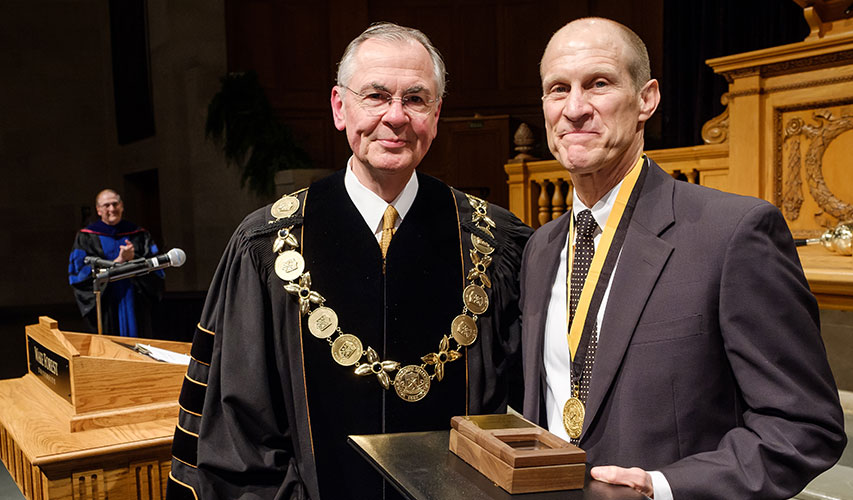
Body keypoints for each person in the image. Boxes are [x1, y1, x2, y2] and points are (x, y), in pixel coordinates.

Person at [167, 23, 531, 500]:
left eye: (416, 99)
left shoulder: (495, 244)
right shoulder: (267, 247)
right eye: (376, 96)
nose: (395, 117)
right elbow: (237, 439)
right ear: (340, 107)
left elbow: (523, 416)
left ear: (437, 115)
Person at [519, 18, 846, 499]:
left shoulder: (732, 233)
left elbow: (803, 425)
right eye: (557, 90)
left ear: (646, 99)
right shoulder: (540, 247)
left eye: (599, 84)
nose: (574, 109)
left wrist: (664, 486)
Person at [68, 189, 163, 337]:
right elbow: (78, 273)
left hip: (135, 300)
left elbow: (157, 270)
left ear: (122, 206)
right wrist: (117, 262)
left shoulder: (139, 234)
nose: (112, 209)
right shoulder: (86, 237)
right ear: (98, 210)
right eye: (106, 205)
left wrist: (133, 257)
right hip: (107, 303)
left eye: (115, 204)